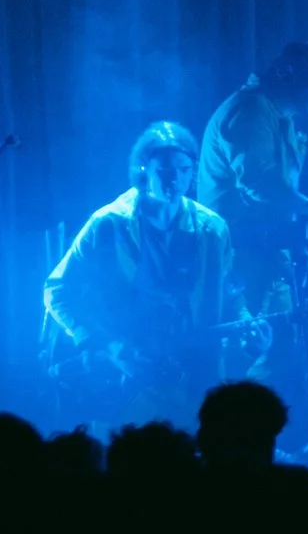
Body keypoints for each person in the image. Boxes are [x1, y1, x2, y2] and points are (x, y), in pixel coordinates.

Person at [44, 122, 239, 420]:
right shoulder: (107, 224)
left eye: (184, 170)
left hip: (190, 378)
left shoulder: (212, 229)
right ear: (143, 170)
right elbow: (57, 290)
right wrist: (109, 347)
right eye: (164, 171)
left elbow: (226, 292)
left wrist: (247, 324)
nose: (174, 180)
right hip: (122, 377)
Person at [197, 42, 308, 315]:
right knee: (244, 346)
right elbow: (261, 181)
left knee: (280, 348)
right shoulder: (250, 110)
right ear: (293, 74)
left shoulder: (281, 118)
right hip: (237, 256)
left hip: (267, 253)